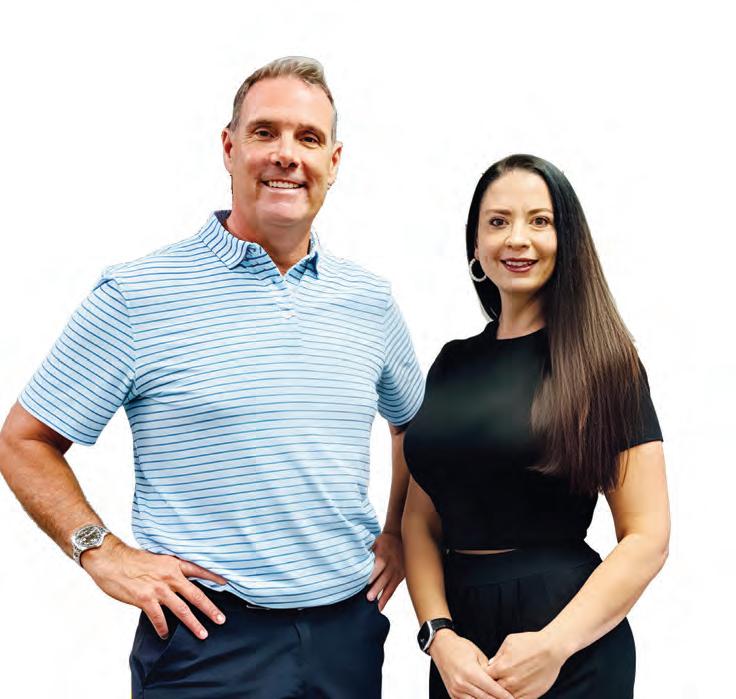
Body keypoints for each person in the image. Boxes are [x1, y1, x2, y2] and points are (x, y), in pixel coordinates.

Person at [0, 56, 424, 699]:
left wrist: (396, 532)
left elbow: (415, 426)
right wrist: (99, 550)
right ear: (229, 148)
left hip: (348, 636)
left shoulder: (369, 301)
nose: (286, 155)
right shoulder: (138, 295)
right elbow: (24, 440)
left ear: (334, 162)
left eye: (309, 138)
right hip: (208, 643)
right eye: (265, 132)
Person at [401, 154, 670, 698]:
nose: (517, 238)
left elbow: (647, 536)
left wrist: (554, 646)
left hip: (569, 638)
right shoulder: (451, 364)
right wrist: (438, 635)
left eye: (539, 221)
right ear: (475, 245)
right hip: (461, 649)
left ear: (566, 239)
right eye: (498, 221)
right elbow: (419, 521)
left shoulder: (605, 363)